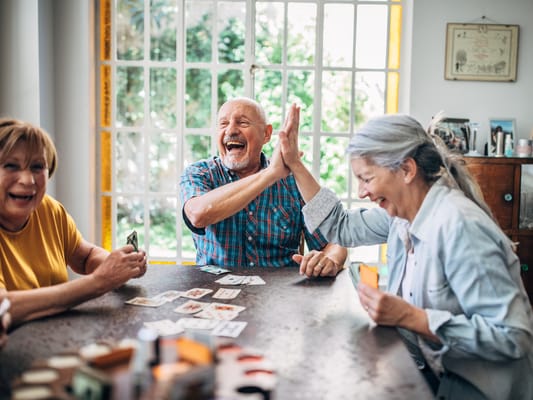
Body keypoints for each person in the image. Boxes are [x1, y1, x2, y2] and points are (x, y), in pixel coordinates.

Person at [274, 105, 533, 399]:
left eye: (367, 179)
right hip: (428, 372)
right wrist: (294, 164)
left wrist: (411, 317)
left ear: (407, 170)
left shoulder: (460, 227)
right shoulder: (400, 216)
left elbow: (513, 337)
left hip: (481, 388)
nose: (361, 192)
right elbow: (340, 226)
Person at [0, 118, 147, 327]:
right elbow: (4, 307)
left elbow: (85, 257)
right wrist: (99, 282)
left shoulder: (48, 209)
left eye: (37, 167)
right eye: (11, 166)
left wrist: (118, 266)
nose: (28, 180)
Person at [179, 98, 347, 277]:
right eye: (223, 124)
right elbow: (198, 215)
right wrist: (270, 174)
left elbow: (335, 241)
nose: (231, 130)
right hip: (214, 292)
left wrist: (330, 260)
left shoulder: (295, 181)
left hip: (280, 295)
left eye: (242, 123)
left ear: (266, 134)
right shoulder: (199, 173)